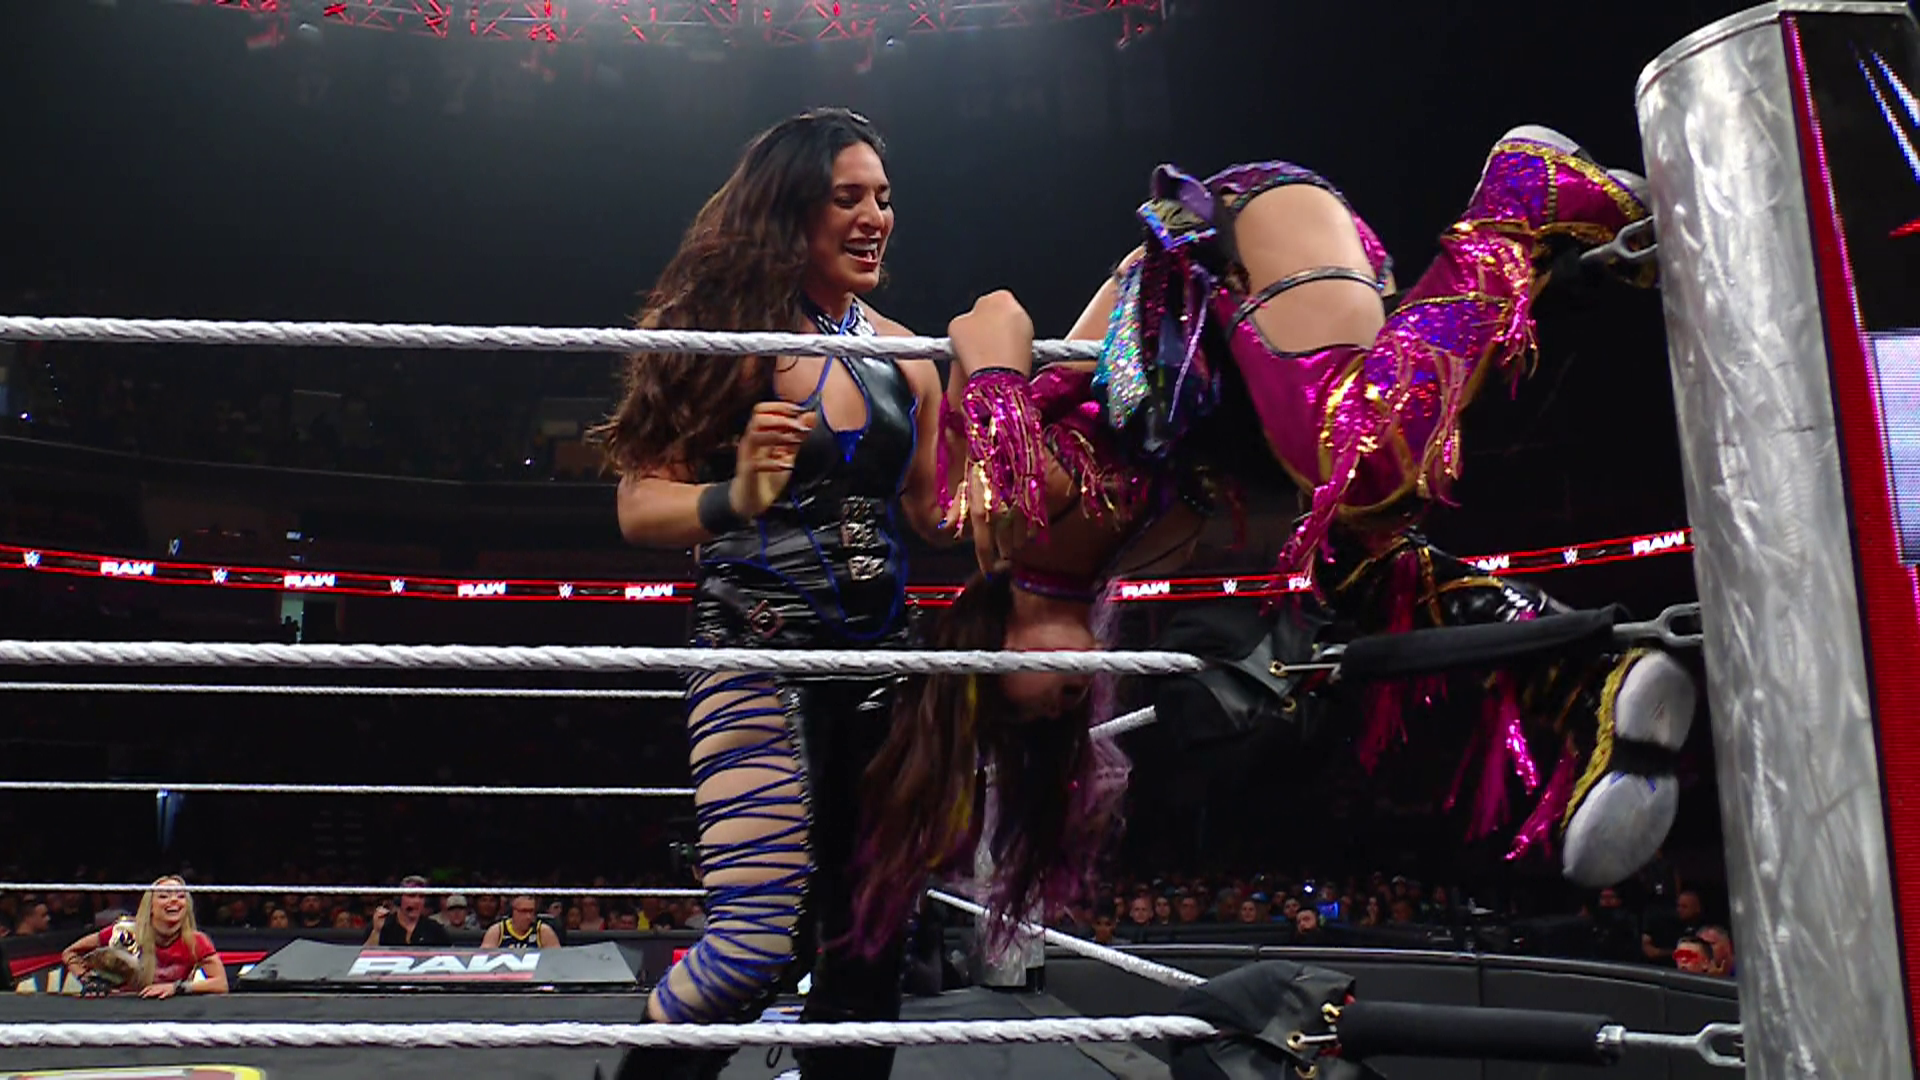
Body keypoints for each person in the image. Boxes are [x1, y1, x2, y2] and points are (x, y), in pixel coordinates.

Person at [853, 128, 1697, 948]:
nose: (1070, 701)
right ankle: (1580, 675)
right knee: (1352, 563)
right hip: (1262, 372)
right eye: (1064, 720)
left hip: (1232, 251)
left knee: (1362, 466)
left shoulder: (1002, 519)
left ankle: (1519, 198)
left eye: (1031, 708)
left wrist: (995, 395)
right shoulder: (1110, 563)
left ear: (986, 663)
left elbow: (993, 314)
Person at [591, 107, 1000, 1080]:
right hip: (755, 652)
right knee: (754, 946)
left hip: (886, 668)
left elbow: (931, 514)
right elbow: (639, 505)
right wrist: (735, 497)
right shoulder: (723, 339)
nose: (874, 218)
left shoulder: (907, 355)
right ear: (792, 211)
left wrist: (996, 470)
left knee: (872, 945)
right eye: (847, 197)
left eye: (884, 198)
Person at [58, 876, 228, 998]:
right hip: (125, 1009)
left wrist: (176, 988)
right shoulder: (125, 933)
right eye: (164, 896)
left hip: (170, 1012)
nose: (174, 900)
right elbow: (70, 952)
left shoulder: (196, 941)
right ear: (151, 906)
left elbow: (220, 984)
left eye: (181, 896)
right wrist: (87, 979)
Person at [366, 875, 452, 948]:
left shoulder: (434, 929)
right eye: (411, 896)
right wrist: (377, 931)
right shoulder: (382, 924)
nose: (417, 901)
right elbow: (364, 957)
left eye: (421, 897)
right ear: (399, 899)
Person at [480, 895, 560, 949]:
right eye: (524, 911)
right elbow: (485, 958)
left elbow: (555, 959)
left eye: (531, 911)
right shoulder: (497, 931)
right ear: (513, 911)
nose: (528, 916)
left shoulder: (543, 931)